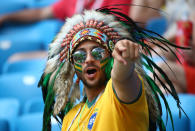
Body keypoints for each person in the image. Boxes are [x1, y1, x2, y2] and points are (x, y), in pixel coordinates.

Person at [38, 8, 184, 131]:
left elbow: (122, 77)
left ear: (111, 57)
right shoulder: (71, 118)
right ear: (73, 67)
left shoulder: (119, 97)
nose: (88, 59)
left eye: (97, 52)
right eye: (80, 56)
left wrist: (123, 58)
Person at [0, 0, 132, 32]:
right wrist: (4, 18)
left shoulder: (117, 0)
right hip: (70, 54)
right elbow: (40, 13)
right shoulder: (73, 2)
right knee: (16, 59)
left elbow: (120, 30)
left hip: (98, 55)